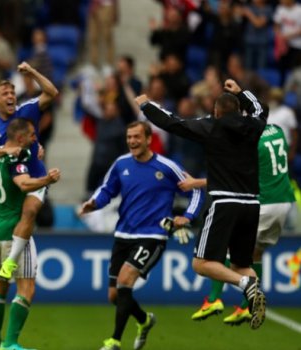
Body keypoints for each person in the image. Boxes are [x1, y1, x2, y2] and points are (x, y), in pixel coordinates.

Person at [137, 79, 268, 330]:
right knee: (242, 264)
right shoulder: (253, 125)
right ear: (238, 109)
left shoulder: (211, 126)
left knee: (201, 263)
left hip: (224, 203)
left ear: (217, 112)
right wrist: (241, 92)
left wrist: (147, 106)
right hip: (252, 204)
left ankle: (246, 286)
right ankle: (252, 293)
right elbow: (260, 109)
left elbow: (174, 122)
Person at [77, 121, 203, 350]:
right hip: (124, 233)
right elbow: (107, 189)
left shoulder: (166, 166)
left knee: (125, 280)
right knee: (115, 295)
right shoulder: (121, 163)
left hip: (153, 235)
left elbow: (195, 188)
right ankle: (144, 321)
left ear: (148, 139)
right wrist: (93, 204)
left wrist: (188, 216)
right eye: (129, 137)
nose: (132, 141)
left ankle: (114, 340)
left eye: (137, 137)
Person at [183, 122, 295, 325]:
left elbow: (229, 177)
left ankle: (213, 300)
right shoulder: (277, 130)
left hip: (264, 202)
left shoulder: (250, 141)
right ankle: (245, 307)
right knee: (256, 254)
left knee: (225, 252)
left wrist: (195, 183)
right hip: (284, 201)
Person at [0, 61, 58, 284]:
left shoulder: (27, 111)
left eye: (12, 92)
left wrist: (32, 71)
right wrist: (7, 150)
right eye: (4, 93)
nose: (10, 95)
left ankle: (10, 262)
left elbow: (52, 92)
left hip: (32, 177)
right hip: (5, 185)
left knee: (30, 211)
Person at [0, 118, 61, 350]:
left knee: (0, 288)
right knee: (26, 289)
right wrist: (47, 179)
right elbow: (24, 184)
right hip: (15, 232)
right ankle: (11, 344)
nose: (35, 139)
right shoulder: (16, 157)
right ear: (19, 138)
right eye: (31, 135)